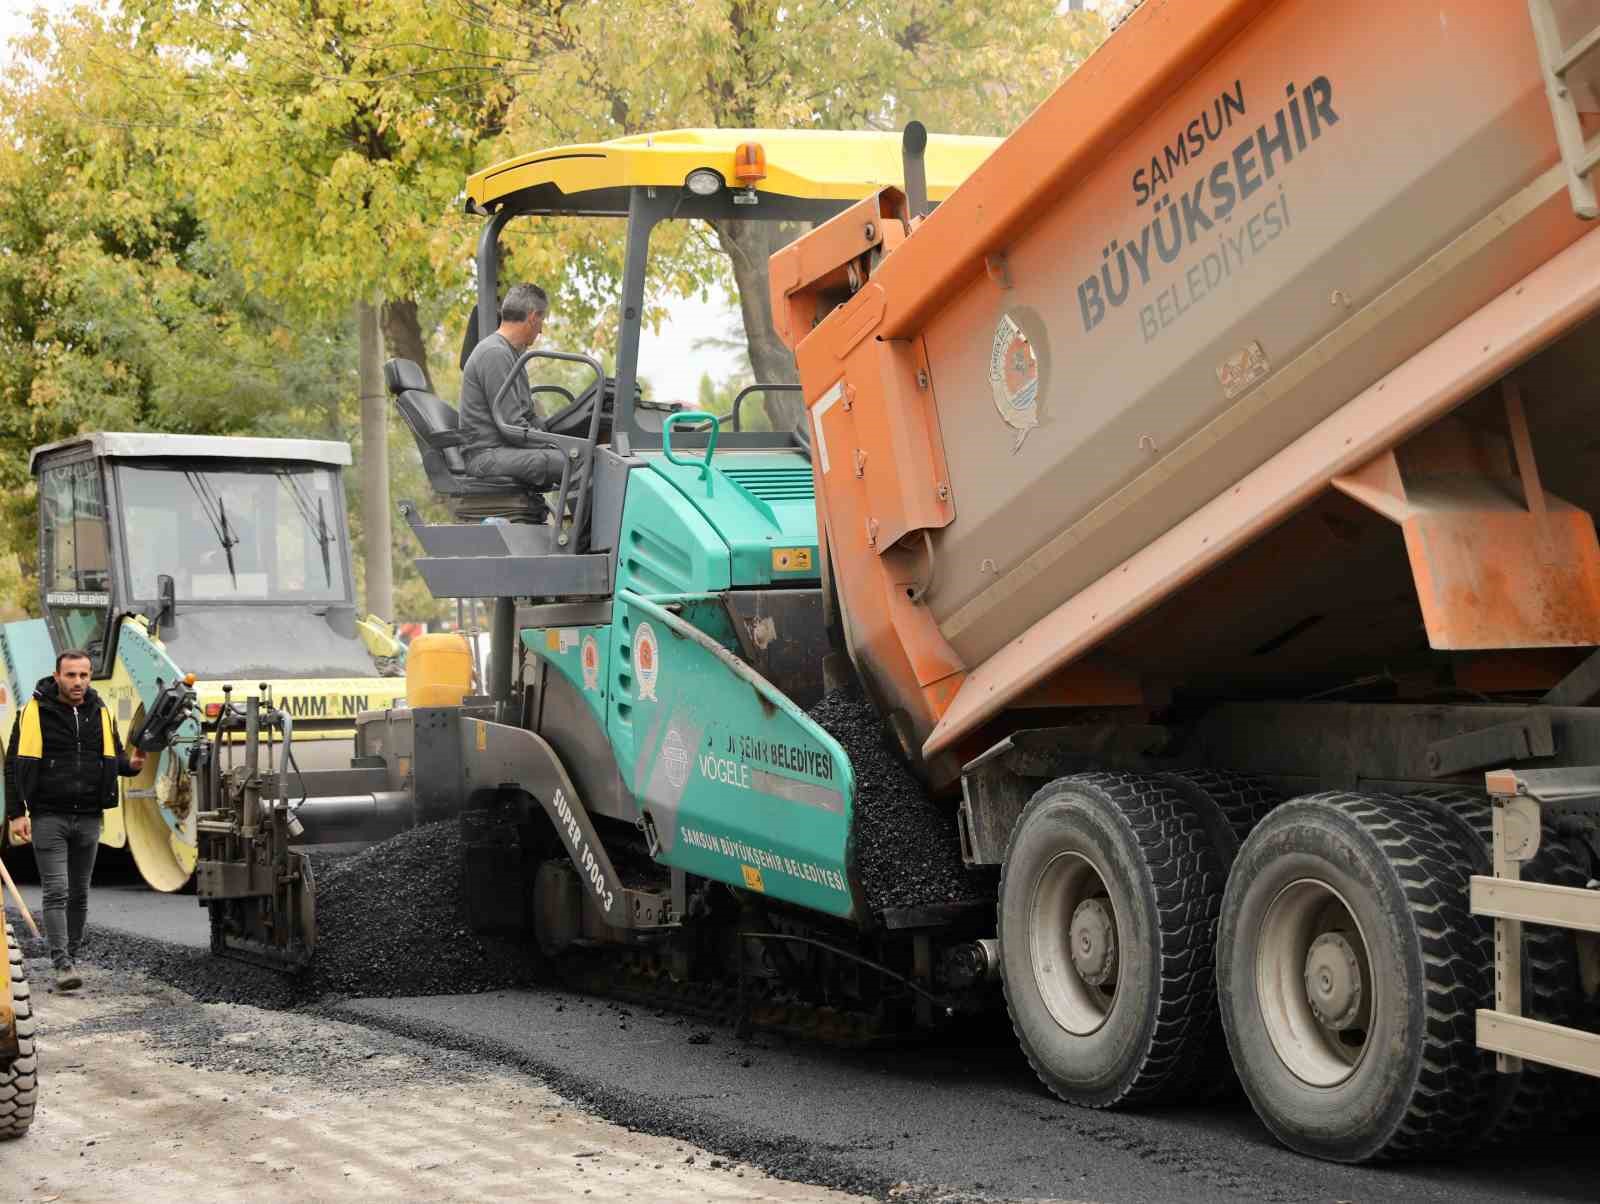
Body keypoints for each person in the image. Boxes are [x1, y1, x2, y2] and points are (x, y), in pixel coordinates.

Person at [4, 649, 144, 991]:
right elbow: (12, 765)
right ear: (57, 677)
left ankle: (73, 954)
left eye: (83, 675)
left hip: (89, 818)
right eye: (71, 675)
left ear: (90, 676)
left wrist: (133, 765)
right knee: (57, 890)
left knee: (79, 893)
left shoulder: (101, 711)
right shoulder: (33, 713)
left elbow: (112, 757)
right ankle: (62, 963)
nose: (78, 681)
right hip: (48, 815)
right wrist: (16, 814)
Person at [458, 282, 565, 515]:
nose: (541, 330)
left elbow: (526, 414)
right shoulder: (494, 354)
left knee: (579, 453)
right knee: (574, 461)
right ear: (533, 317)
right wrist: (559, 446)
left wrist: (562, 436)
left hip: (503, 450)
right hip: (486, 456)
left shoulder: (511, 354)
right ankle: (586, 541)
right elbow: (512, 427)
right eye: (542, 321)